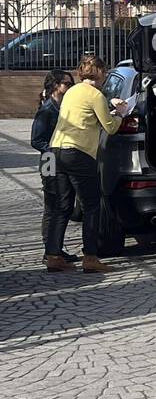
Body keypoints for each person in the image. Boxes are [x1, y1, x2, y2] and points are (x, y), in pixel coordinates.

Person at [45, 55, 129, 273]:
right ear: (99, 72)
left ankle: (53, 256)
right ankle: (90, 258)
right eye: (104, 71)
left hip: (56, 150)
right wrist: (120, 114)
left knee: (62, 206)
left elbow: (85, 117)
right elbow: (109, 127)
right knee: (91, 206)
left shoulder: (72, 92)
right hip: (79, 153)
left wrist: (109, 113)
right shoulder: (96, 95)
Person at [31, 70, 78, 264]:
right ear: (56, 85)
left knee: (61, 203)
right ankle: (50, 250)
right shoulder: (47, 109)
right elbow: (36, 140)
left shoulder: (63, 105)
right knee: (52, 204)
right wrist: (55, 148)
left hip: (60, 160)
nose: (70, 87)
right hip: (50, 161)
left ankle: (55, 247)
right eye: (67, 84)